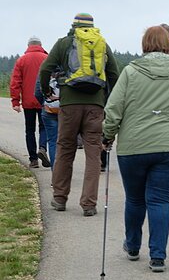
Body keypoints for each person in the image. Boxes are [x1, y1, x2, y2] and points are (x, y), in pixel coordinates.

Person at [103, 26, 169, 272]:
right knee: (158, 200)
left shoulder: (131, 72)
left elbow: (114, 108)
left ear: (144, 44)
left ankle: (133, 246)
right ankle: (158, 256)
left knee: (135, 198)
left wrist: (107, 135)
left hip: (134, 146)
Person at [39, 13, 120, 216]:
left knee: (65, 149)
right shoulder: (102, 43)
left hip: (69, 105)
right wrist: (106, 99)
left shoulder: (64, 43)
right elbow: (114, 74)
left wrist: (46, 90)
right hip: (95, 105)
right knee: (93, 153)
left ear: (73, 26)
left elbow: (46, 68)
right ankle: (89, 204)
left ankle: (59, 198)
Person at [10, 36, 51, 168]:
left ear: (28, 46)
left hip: (28, 101)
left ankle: (33, 160)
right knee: (44, 127)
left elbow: (15, 82)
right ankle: (43, 148)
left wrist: (15, 101)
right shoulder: (47, 59)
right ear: (40, 45)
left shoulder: (21, 60)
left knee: (30, 130)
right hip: (45, 100)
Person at [35, 70, 61, 169]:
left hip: (49, 110)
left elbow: (37, 92)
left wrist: (45, 103)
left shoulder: (46, 69)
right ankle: (64, 173)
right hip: (65, 110)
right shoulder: (68, 66)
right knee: (66, 142)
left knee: (52, 141)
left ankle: (56, 175)